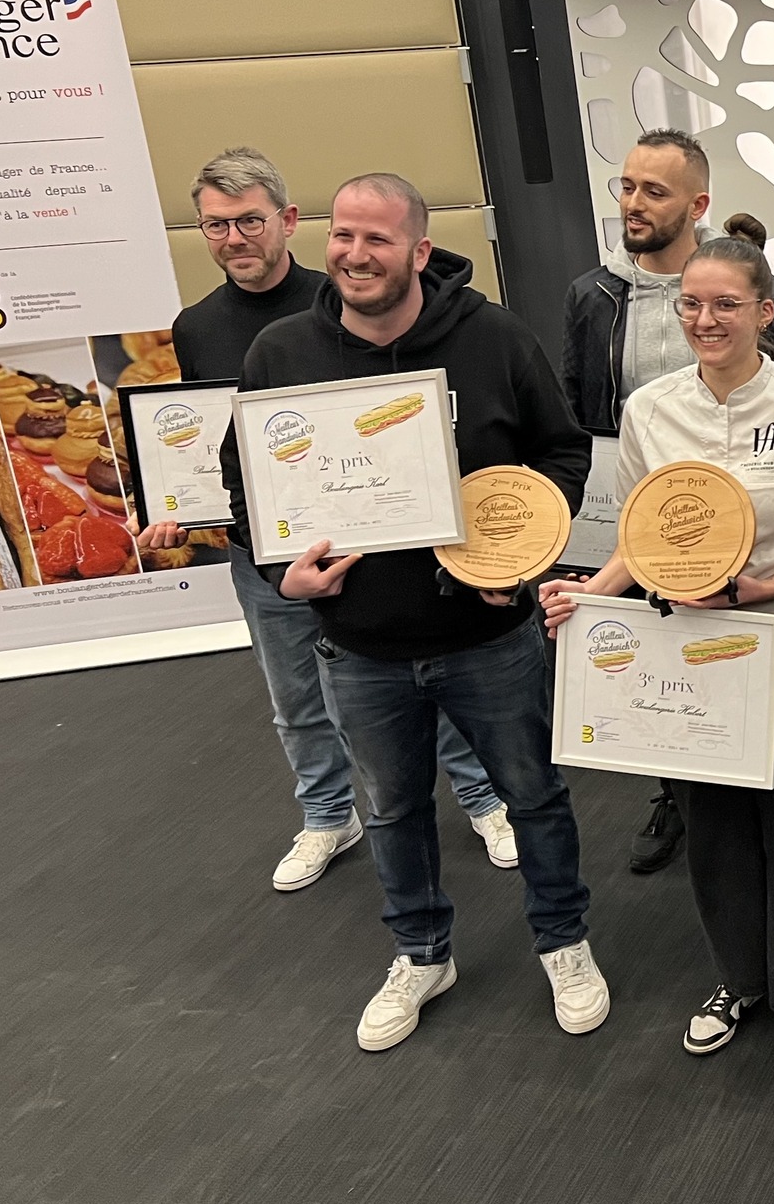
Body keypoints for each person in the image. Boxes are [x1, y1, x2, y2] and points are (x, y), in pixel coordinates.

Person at [222, 173, 604, 1052]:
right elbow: (246, 483)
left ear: (420, 251)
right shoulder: (282, 352)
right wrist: (283, 571)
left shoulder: (493, 337)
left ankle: (564, 941)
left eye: (378, 239)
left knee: (535, 797)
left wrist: (522, 556)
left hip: (489, 637)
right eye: (342, 234)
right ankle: (422, 953)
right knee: (393, 812)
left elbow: (561, 451)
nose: (354, 254)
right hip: (358, 646)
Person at [139, 147, 518, 892]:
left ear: (288, 221)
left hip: (378, 539)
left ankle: (482, 799)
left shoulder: (343, 299)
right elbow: (215, 444)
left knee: (424, 672)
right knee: (294, 697)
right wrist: (182, 508)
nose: (234, 238)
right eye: (215, 225)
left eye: (250, 220)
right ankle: (325, 815)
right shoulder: (194, 326)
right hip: (273, 551)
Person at [541, 235, 774, 1072]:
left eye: (726, 304)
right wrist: (589, 596)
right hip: (689, 656)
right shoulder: (650, 411)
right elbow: (641, 537)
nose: (705, 319)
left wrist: (759, 592)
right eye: (691, 303)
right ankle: (740, 978)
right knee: (715, 831)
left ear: (765, 312)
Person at [559, 130, 774, 875]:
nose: (633, 203)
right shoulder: (592, 294)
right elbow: (580, 406)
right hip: (645, 514)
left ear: (697, 204)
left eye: (654, 190)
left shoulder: (752, 286)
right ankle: (673, 790)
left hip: (756, 531)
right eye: (627, 186)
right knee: (664, 677)